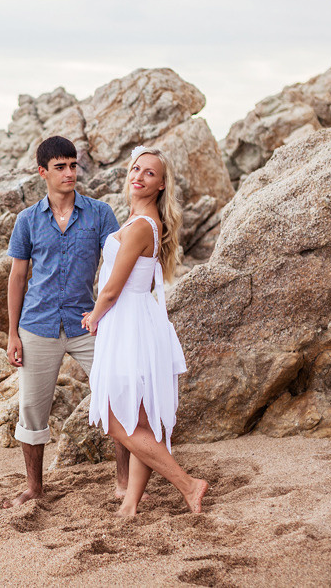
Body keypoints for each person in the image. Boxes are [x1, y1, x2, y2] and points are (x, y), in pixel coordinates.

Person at [82, 146, 208, 516]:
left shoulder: (140, 227)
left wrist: (94, 315)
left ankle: (188, 484)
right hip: (136, 320)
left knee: (114, 418)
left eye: (149, 173)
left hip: (127, 322)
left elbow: (112, 288)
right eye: (136, 169)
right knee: (140, 420)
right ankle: (131, 505)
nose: (138, 175)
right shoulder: (143, 220)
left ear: (162, 185)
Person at [4, 135, 127, 508]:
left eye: (73, 165)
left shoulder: (100, 214)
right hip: (37, 325)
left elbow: (120, 265)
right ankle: (35, 488)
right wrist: (12, 334)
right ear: (43, 172)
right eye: (60, 167)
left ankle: (123, 482)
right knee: (32, 411)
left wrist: (111, 315)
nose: (69, 173)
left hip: (86, 322)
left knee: (117, 397)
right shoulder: (27, 220)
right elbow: (17, 278)